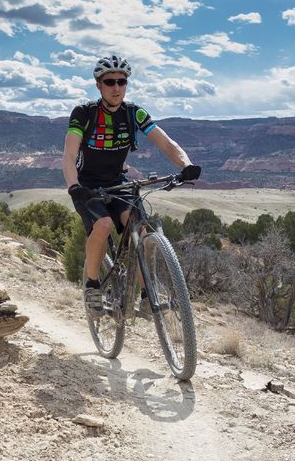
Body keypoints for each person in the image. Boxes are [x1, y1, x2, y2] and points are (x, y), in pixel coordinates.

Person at [62, 54, 201, 313]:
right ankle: (92, 286)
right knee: (102, 225)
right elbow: (69, 154)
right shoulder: (84, 113)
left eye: (121, 81)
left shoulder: (133, 113)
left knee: (142, 231)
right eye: (110, 82)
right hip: (88, 186)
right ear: (99, 85)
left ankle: (148, 295)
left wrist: (186, 165)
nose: (116, 87)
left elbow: (166, 143)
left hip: (119, 182)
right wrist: (74, 186)